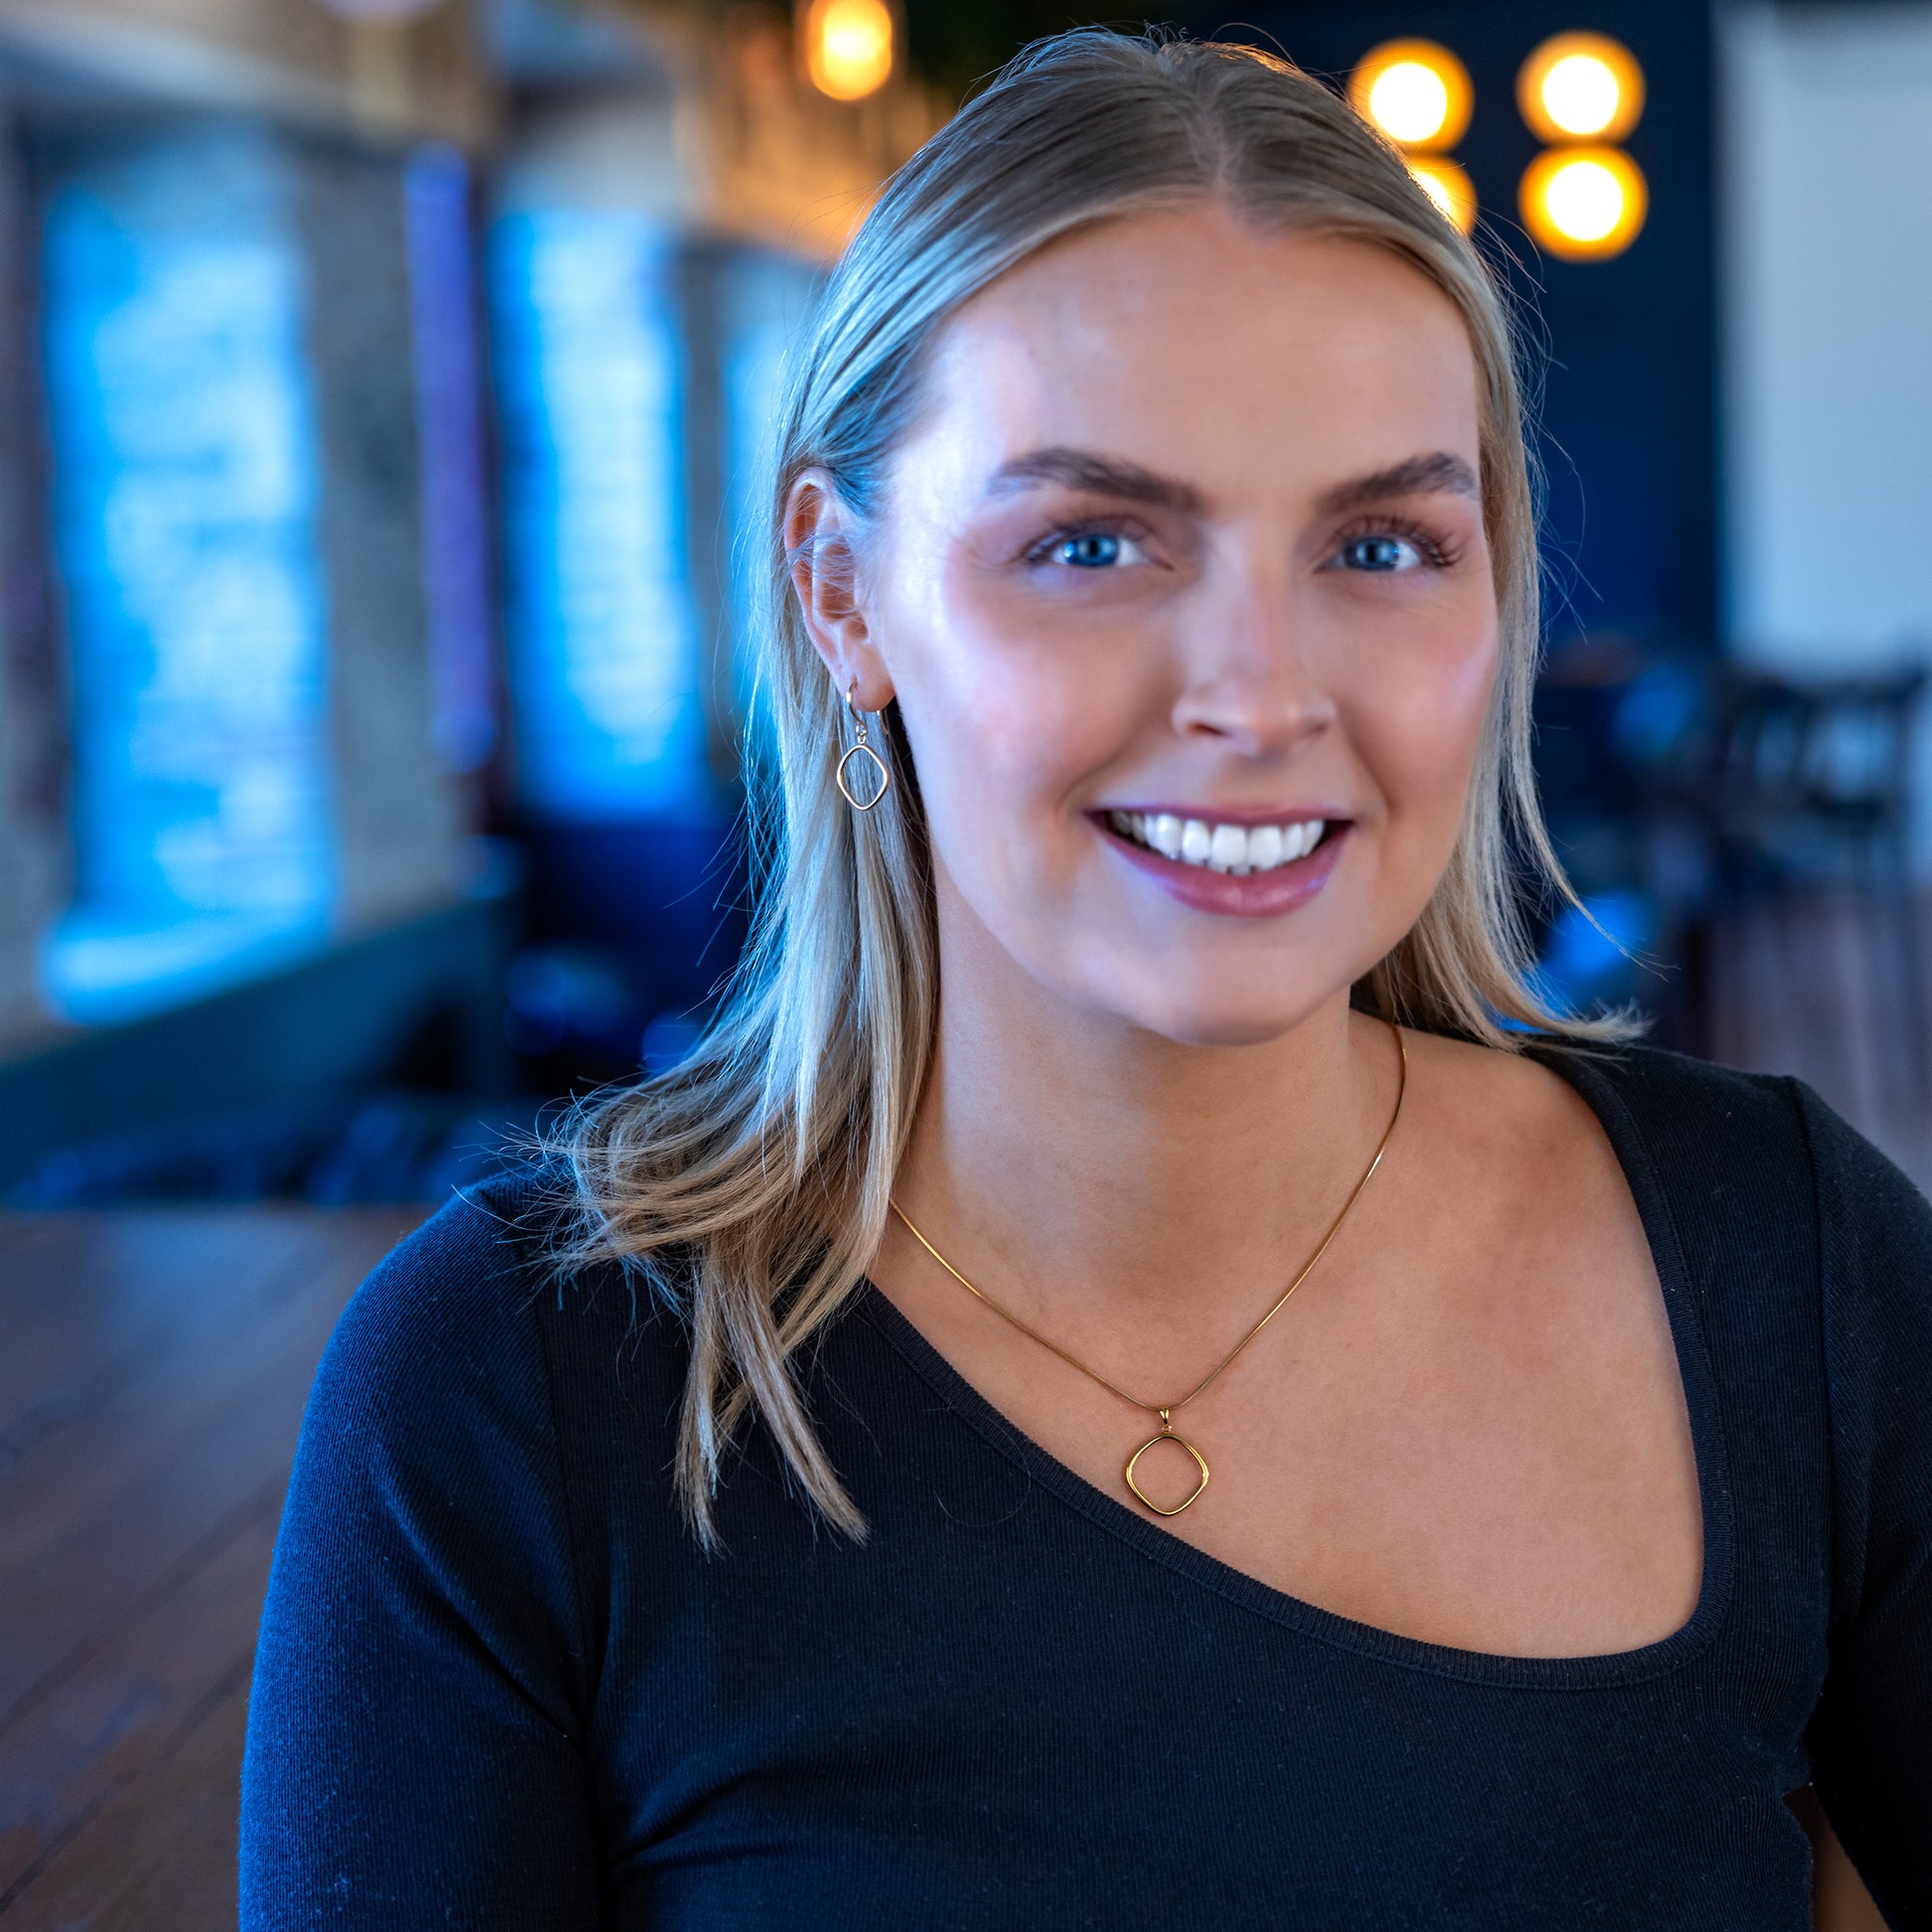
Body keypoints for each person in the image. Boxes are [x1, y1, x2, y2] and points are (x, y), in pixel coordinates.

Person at [239, 30, 1931, 1928]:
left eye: (1380, 543)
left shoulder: (1785, 1261)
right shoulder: (510, 1393)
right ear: (838, 586)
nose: (1261, 693)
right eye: (1092, 541)